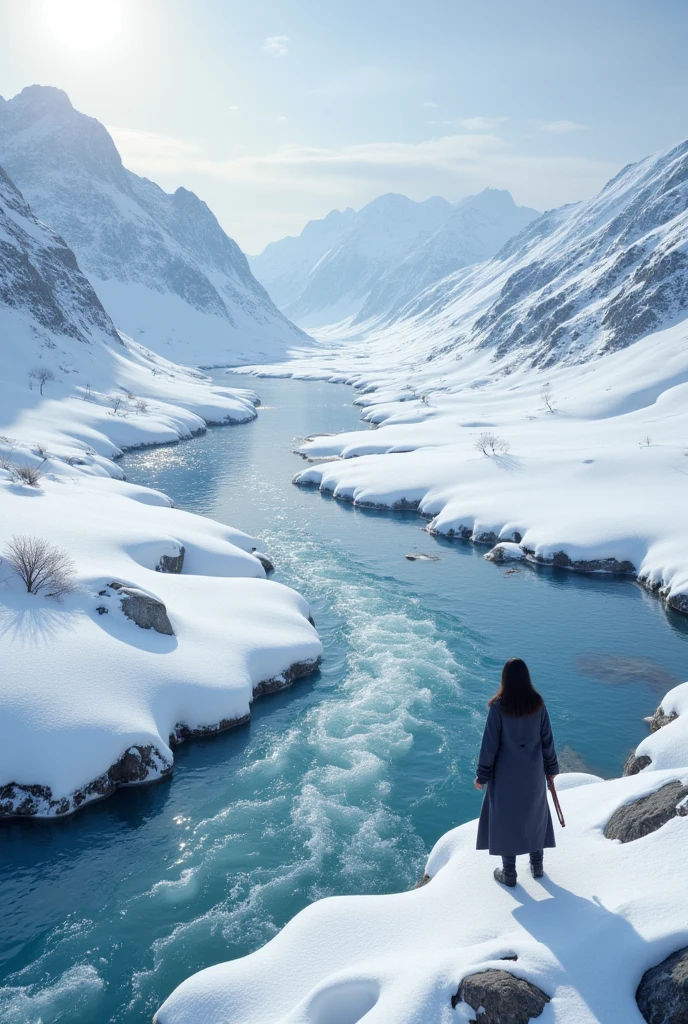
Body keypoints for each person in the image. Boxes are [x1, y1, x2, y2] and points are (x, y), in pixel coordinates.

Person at [474, 657, 559, 887]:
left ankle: (509, 873)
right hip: (533, 774)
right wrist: (551, 768)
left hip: (505, 776)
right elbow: (547, 741)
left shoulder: (499, 708)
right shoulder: (538, 704)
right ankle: (537, 865)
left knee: (505, 819)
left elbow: (489, 744)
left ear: (505, 679)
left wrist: (482, 775)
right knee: (535, 815)